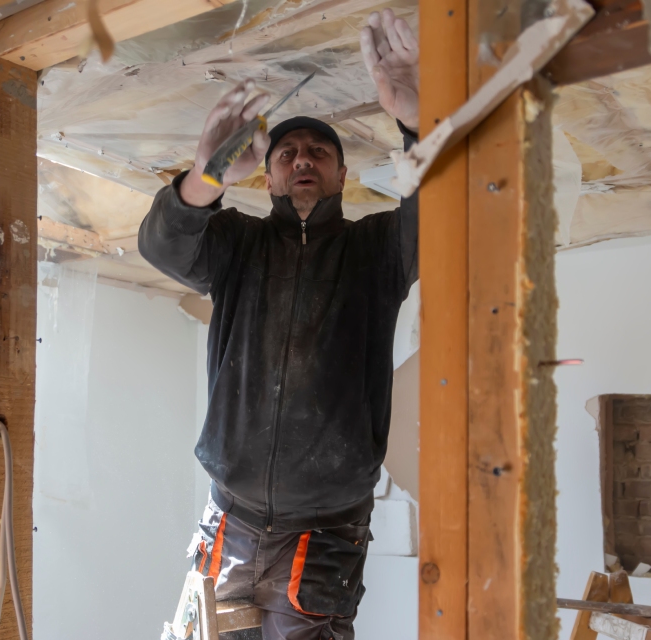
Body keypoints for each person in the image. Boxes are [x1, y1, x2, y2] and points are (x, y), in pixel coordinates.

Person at [140, 9, 419, 640]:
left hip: (323, 534)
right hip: (227, 518)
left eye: (320, 152)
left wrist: (415, 124)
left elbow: (445, 211)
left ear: (343, 175)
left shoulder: (378, 250)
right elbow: (162, 246)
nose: (302, 160)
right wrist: (204, 177)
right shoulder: (235, 243)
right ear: (265, 175)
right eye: (288, 151)